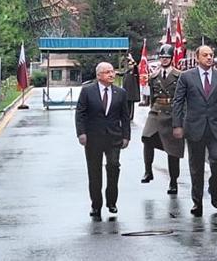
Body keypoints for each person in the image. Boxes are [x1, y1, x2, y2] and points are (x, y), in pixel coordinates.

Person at [172, 45, 217, 217]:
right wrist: (177, 125)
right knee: (196, 166)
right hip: (194, 127)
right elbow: (178, 102)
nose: (209, 57)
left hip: (216, 127)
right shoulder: (186, 77)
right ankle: (197, 201)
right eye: (205, 55)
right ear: (197, 57)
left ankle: (215, 188)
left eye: (211, 55)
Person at [75, 62, 130, 220]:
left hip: (114, 137)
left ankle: (111, 202)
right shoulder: (87, 91)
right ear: (99, 75)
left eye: (112, 72)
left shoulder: (120, 93)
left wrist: (126, 136)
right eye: (107, 72)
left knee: (113, 167)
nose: (111, 75)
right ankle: (96, 205)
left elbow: (125, 117)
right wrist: (81, 133)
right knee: (94, 172)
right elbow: (80, 114)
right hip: (93, 138)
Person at [140, 44, 184, 195]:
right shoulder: (154, 76)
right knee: (146, 137)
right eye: (162, 57)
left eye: (167, 57)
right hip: (156, 111)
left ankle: (173, 181)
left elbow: (183, 98)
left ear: (172, 58)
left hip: (172, 113)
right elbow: (152, 97)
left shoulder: (179, 76)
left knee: (173, 150)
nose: (164, 60)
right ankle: (147, 171)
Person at [117, 54, 140, 121]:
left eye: (131, 65)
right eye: (129, 65)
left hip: (132, 92)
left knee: (131, 105)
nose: (130, 66)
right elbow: (121, 73)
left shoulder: (134, 72)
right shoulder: (127, 72)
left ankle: (130, 116)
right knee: (126, 105)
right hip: (126, 91)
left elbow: (135, 66)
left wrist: (132, 59)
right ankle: (127, 115)